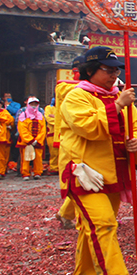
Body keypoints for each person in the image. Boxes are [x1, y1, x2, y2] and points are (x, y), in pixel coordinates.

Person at [58, 46, 137, 275]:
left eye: (115, 70)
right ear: (90, 71)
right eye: (107, 70)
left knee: (95, 226)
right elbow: (87, 128)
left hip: (114, 173)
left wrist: (136, 143)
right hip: (85, 174)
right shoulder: (75, 97)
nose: (113, 75)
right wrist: (117, 106)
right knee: (103, 225)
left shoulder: (118, 96)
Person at [53, 55, 85, 229]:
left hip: (83, 137)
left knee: (84, 179)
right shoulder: (65, 87)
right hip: (70, 139)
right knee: (79, 179)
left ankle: (65, 213)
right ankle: (83, 218)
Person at [17, 96, 47, 181]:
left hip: (38, 141)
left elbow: (43, 129)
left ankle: (37, 172)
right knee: (26, 158)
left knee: (38, 158)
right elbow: (22, 129)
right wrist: (30, 140)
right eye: (32, 104)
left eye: (35, 104)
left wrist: (38, 140)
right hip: (26, 142)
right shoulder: (23, 115)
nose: (33, 106)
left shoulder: (40, 115)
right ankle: (25, 173)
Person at [44, 97, 57, 174]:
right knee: (53, 152)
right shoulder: (49, 108)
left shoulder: (63, 106)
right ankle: (54, 168)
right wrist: (59, 120)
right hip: (52, 133)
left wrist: (56, 117)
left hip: (62, 133)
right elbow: (49, 119)